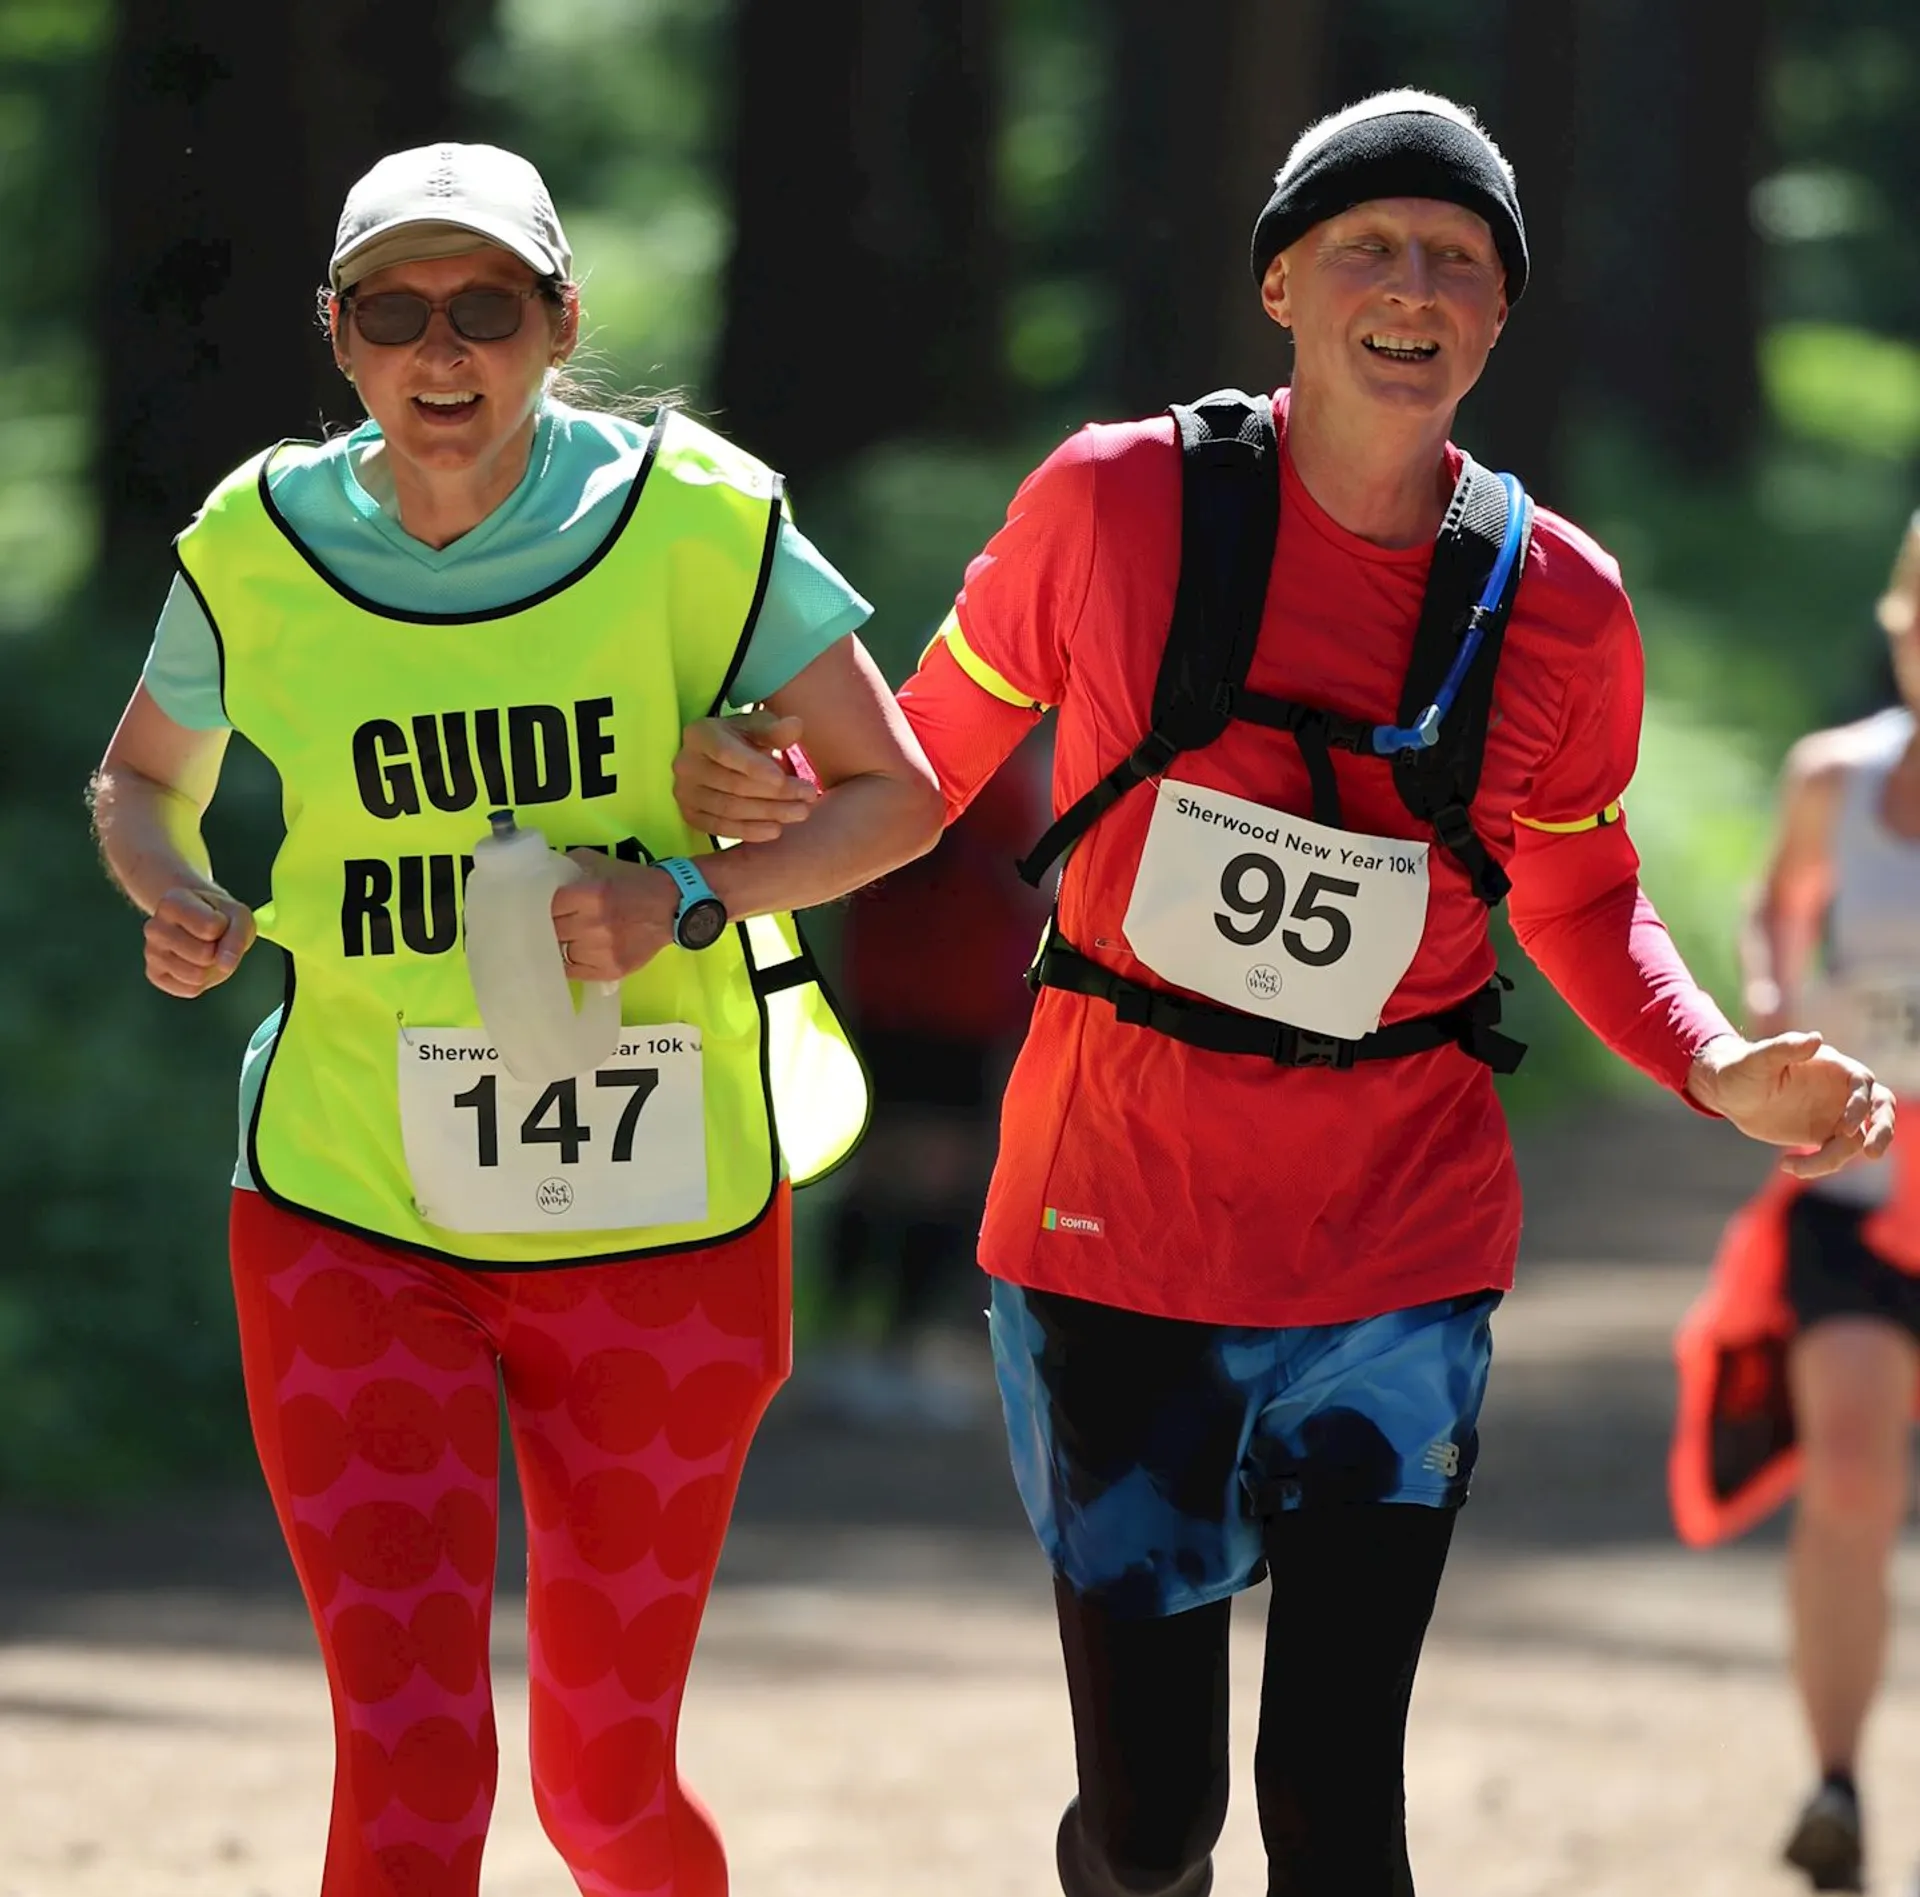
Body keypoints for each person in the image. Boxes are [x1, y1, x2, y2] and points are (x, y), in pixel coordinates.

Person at [671, 89, 1896, 1897]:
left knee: (1336, 1804)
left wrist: (1716, 1065)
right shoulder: (1112, 507)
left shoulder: (1561, 605)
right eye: (1369, 250)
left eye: (1458, 262)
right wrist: (715, 871)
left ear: (1496, 315)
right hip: (1113, 1230)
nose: (1414, 289)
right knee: (1156, 1826)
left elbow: (1576, 885)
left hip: (1398, 1255)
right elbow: (920, 771)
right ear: (1283, 286)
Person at [88, 142, 941, 1897]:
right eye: (393, 310)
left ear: (558, 324)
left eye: (486, 305)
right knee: (408, 1772)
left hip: (663, 1217)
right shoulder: (256, 547)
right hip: (345, 1207)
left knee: (605, 1789)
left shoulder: (700, 522)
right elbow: (137, 779)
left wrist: (693, 894)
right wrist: (173, 886)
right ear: (338, 335)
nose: (440, 348)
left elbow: (898, 798)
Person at [1674, 512, 1920, 1894]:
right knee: (1851, 1470)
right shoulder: (1836, 775)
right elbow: (1779, 906)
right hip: (1860, 1198)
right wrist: (1774, 1008)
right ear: (1903, 629)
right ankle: (1835, 1784)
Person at [804, 732, 1051, 1428]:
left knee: (885, 1164)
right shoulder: (986, 768)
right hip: (951, 995)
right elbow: (1022, 868)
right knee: (930, 1168)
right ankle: (889, 1351)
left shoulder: (887, 749)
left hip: (891, 987)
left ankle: (851, 1347)